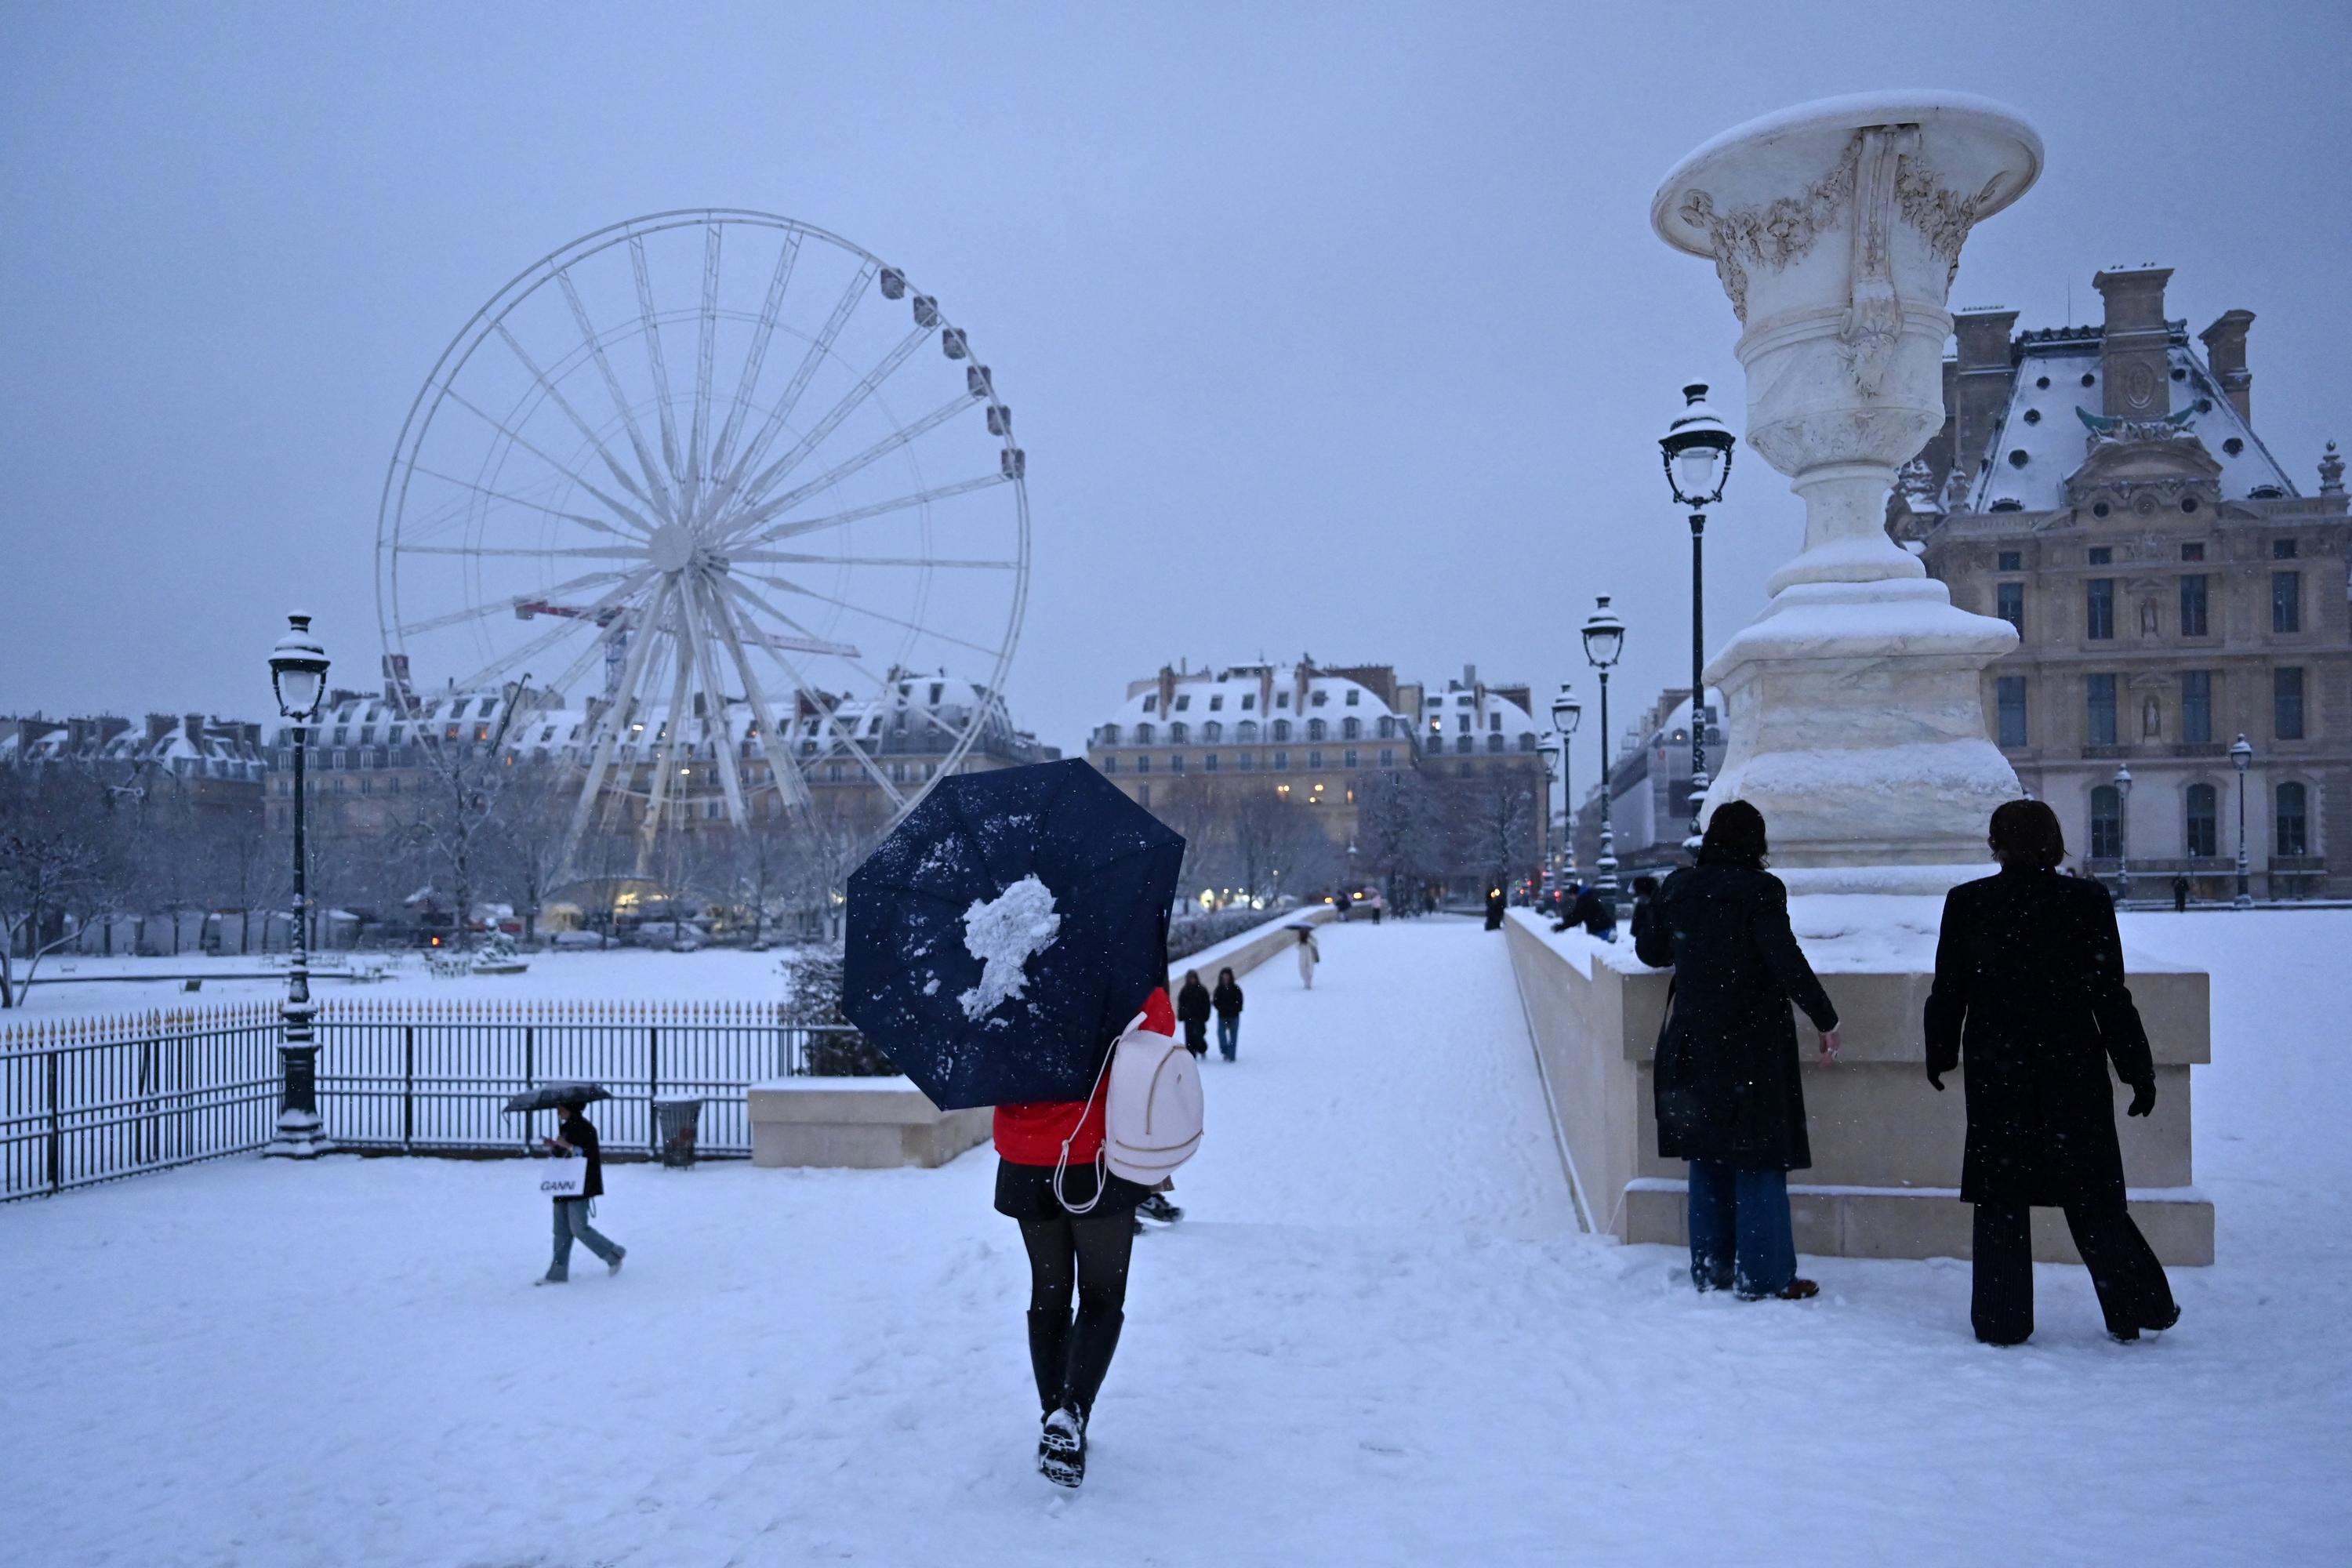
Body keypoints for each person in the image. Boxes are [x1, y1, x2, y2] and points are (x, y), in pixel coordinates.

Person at [1925, 799, 2180, 1347]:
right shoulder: (2084, 901)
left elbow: (1949, 989)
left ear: (1996, 844)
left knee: (2000, 1198)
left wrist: (1941, 1052)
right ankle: (2136, 1306)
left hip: (1998, 1069)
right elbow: (2109, 994)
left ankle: (2001, 1318)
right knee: (2092, 1196)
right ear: (2054, 841)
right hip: (2071, 1066)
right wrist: (2137, 1069)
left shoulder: (1968, 903)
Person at [1634, 800, 1840, 1301]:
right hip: (1751, 1045)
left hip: (1692, 1042)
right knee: (1759, 1156)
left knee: (1706, 1155)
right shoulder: (1759, 890)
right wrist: (1825, 1018)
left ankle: (1711, 1267)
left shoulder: (1679, 886)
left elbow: (1652, 951)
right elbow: (1783, 957)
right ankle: (1765, 1275)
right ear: (1757, 843)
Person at [993, 986, 1174, 1487]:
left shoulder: (1003, 967)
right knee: (1101, 1296)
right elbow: (1159, 1029)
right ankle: (1071, 1413)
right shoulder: (1110, 961)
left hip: (1025, 1156)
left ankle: (1054, 1415)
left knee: (1049, 1291)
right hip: (1092, 1154)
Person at [535, 1098, 625, 1285]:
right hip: (563, 1183)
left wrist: (568, 1147)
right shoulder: (566, 1128)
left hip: (581, 1185)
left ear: (571, 1107)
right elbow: (563, 1155)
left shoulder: (586, 1129)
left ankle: (613, 1254)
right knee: (560, 1230)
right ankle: (557, 1273)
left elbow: (588, 1155)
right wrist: (555, 1147)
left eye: (561, 1108)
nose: (558, 1111)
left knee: (578, 1228)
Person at [1175, 970, 1212, 1058]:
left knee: (1199, 1036)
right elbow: (1181, 1004)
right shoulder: (1184, 991)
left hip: (1199, 1018)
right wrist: (1181, 1015)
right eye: (1190, 978)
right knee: (1189, 1038)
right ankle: (1191, 1055)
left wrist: (1205, 1016)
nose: (1192, 980)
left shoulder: (1202, 990)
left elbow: (1207, 1004)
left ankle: (1202, 1049)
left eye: (1193, 978)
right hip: (1188, 1018)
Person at [1211, 966, 1244, 1062]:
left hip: (1234, 1016)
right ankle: (1225, 1051)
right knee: (1221, 1034)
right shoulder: (1219, 989)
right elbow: (1216, 1001)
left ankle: (1232, 1055)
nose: (1226, 979)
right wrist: (1221, 1008)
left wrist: (1235, 1009)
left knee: (1233, 1036)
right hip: (1222, 1016)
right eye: (1224, 977)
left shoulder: (1236, 989)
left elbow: (1240, 1001)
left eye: (1227, 976)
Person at [1295, 925, 1320, 989]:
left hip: (1310, 956)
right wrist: (1301, 941)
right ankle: (1306, 982)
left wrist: (1308, 940)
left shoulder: (1311, 938)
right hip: (1302, 957)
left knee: (1310, 970)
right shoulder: (1300, 939)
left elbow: (1315, 944)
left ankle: (1309, 984)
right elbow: (1297, 947)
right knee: (1303, 970)